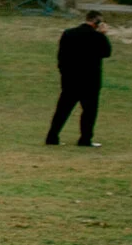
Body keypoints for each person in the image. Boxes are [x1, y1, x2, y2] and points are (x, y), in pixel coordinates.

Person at [47, 11, 113, 147]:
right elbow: (106, 52)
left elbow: (61, 57)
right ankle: (85, 139)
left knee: (62, 110)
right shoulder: (97, 36)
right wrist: (103, 35)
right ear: (96, 22)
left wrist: (64, 74)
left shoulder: (68, 33)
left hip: (70, 79)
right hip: (90, 80)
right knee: (89, 111)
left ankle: (52, 137)